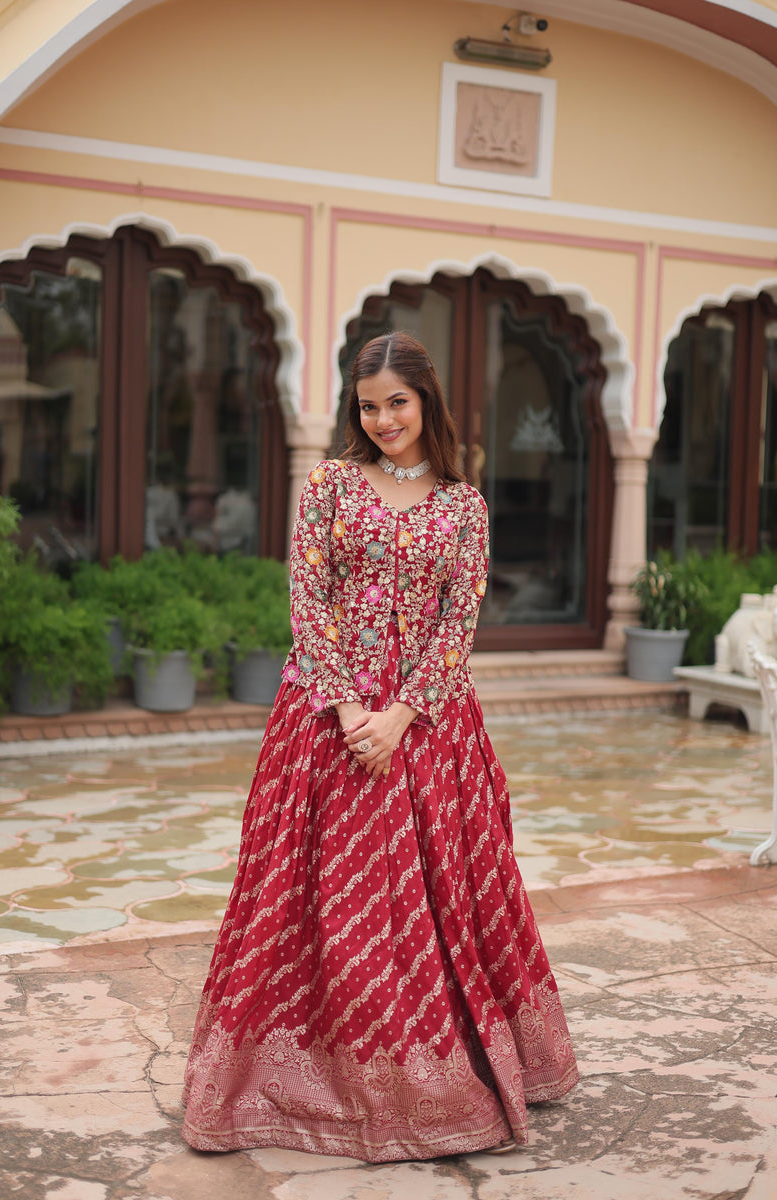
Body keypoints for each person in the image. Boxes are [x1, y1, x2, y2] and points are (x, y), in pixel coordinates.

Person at [181, 332, 578, 1161]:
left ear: (427, 400)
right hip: (324, 720)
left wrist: (400, 716)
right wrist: (350, 708)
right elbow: (308, 598)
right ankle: (309, 1078)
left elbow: (456, 624)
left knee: (440, 901)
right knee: (315, 898)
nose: (384, 418)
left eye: (398, 401)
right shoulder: (328, 485)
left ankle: (439, 1070)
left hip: (430, 727)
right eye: (369, 405)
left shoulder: (464, 506)